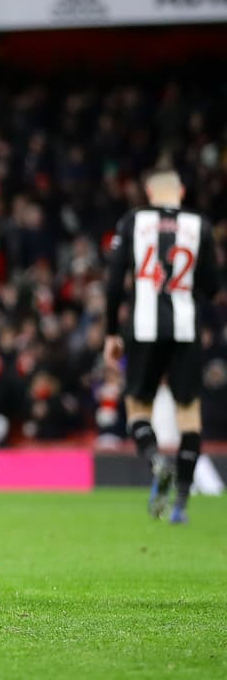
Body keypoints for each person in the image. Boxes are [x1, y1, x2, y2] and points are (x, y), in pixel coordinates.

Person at [103, 168, 220, 524]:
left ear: (150, 193)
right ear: (181, 192)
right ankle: (181, 504)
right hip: (186, 328)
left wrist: (111, 332)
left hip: (143, 326)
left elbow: (113, 282)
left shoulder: (133, 220)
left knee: (138, 406)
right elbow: (212, 285)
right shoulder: (199, 225)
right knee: (189, 416)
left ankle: (157, 461)